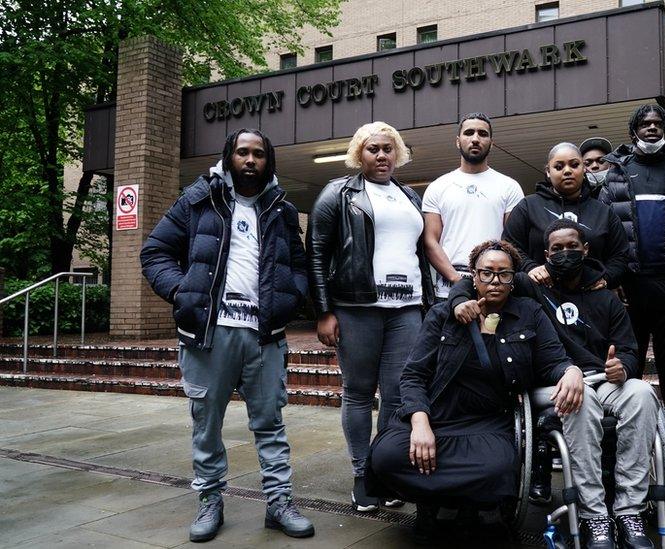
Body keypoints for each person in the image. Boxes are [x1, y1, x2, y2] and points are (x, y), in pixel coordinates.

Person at [141, 128, 314, 542]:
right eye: (243, 153)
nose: (250, 160)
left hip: (264, 335)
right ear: (229, 156)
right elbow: (155, 252)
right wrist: (182, 292)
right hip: (209, 333)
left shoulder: (281, 209)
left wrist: (292, 298)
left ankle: (279, 503)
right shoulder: (198, 199)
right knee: (207, 424)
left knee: (271, 423)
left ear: (267, 161)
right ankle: (209, 501)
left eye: (258, 154)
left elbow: (298, 265)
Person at [449, 220, 657, 549]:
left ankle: (630, 509)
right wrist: (458, 301)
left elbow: (630, 349)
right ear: (546, 254)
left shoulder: (606, 296)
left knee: (643, 393)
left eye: (572, 247)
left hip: (604, 377)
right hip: (555, 380)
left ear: (585, 250)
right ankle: (594, 515)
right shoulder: (532, 287)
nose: (565, 254)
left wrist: (625, 366)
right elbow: (479, 279)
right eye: (556, 249)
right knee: (579, 398)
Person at [368, 240, 584, 542]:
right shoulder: (443, 314)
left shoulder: (529, 313)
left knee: (498, 467)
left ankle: (468, 508)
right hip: (437, 411)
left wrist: (571, 371)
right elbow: (414, 374)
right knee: (387, 456)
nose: (495, 281)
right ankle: (429, 505)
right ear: (473, 275)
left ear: (514, 279)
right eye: (487, 273)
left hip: (489, 419)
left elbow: (554, 360)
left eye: (504, 274)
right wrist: (420, 423)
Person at [306, 121, 434, 513]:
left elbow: (422, 251)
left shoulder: (410, 196)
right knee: (359, 392)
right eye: (373, 149)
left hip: (407, 308)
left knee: (397, 396)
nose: (381, 156)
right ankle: (363, 474)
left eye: (388, 149)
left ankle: (385, 470)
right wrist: (324, 311)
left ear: (398, 153)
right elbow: (315, 252)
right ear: (359, 154)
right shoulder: (338, 193)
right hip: (357, 307)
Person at [599, 104, 665, 490]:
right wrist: (613, 278)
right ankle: (625, 459)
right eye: (645, 124)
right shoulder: (617, 172)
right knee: (627, 378)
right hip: (630, 292)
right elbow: (605, 232)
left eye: (659, 123)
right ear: (634, 129)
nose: (653, 128)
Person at [503, 142, 631, 292]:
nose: (567, 171)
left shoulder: (603, 211)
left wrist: (607, 278)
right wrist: (530, 268)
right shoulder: (528, 206)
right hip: (540, 297)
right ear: (548, 172)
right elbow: (509, 246)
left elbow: (620, 255)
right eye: (559, 167)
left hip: (591, 298)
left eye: (574, 165)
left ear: (584, 168)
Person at [422, 113, 524, 301]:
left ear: (491, 143)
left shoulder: (510, 187)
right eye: (469, 133)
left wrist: (494, 278)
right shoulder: (438, 186)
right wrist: (456, 279)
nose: (475, 139)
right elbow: (430, 241)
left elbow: (514, 243)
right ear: (458, 141)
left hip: (495, 289)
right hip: (448, 290)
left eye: (482, 134)